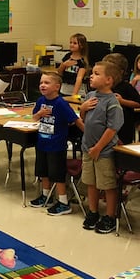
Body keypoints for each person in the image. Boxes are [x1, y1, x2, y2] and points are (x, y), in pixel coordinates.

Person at [29, 72, 83, 215]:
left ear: (57, 87)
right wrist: (39, 114)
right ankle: (46, 195)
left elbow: (75, 120)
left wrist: (87, 132)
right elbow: (34, 118)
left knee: (57, 174)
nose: (42, 85)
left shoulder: (61, 103)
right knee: (43, 171)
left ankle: (63, 201)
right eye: (41, 82)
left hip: (56, 145)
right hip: (42, 142)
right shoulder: (40, 101)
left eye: (47, 83)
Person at [79, 61, 124, 234]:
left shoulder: (112, 103)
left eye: (97, 74)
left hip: (103, 151)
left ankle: (110, 216)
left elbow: (112, 129)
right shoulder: (90, 95)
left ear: (108, 80)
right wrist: (82, 109)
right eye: (92, 73)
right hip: (87, 148)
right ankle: (93, 211)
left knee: (107, 185)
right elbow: (84, 119)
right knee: (91, 182)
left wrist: (98, 147)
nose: (91, 75)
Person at [102, 53, 140, 144]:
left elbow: (138, 103)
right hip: (105, 125)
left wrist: (122, 101)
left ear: (121, 71)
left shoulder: (126, 87)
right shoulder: (102, 86)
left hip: (123, 128)